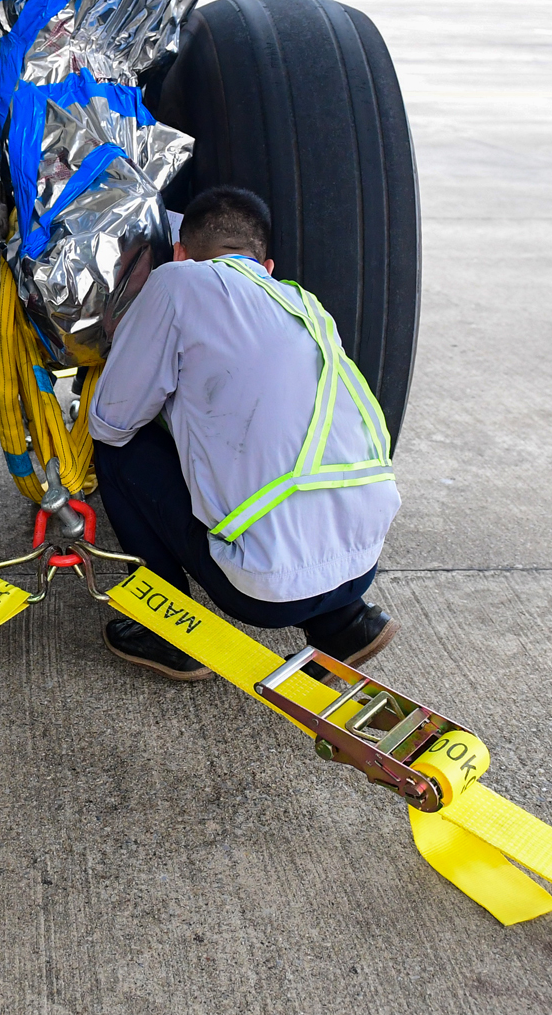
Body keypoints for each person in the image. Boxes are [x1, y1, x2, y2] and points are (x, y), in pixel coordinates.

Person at [88, 186, 400, 682]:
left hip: (263, 592)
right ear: (266, 267)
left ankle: (167, 629)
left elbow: (111, 420)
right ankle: (345, 622)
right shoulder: (306, 305)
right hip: (362, 563)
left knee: (116, 451)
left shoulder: (176, 284)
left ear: (182, 253)